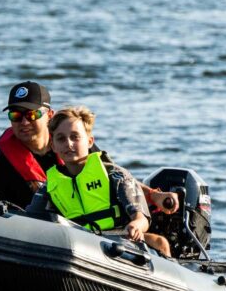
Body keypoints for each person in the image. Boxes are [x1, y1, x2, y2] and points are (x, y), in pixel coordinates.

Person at [0, 81, 179, 215]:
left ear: (49, 115)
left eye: (31, 115)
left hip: (94, 235)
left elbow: (116, 178)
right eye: (15, 116)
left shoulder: (74, 146)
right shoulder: (3, 166)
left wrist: (154, 195)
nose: (23, 122)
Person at [27, 106, 172, 257]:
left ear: (90, 142)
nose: (68, 144)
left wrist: (135, 226)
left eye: (75, 137)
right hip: (77, 248)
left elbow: (141, 219)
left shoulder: (115, 176)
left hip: (120, 244)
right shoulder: (49, 187)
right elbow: (31, 221)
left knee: (159, 242)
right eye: (61, 138)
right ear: (53, 146)